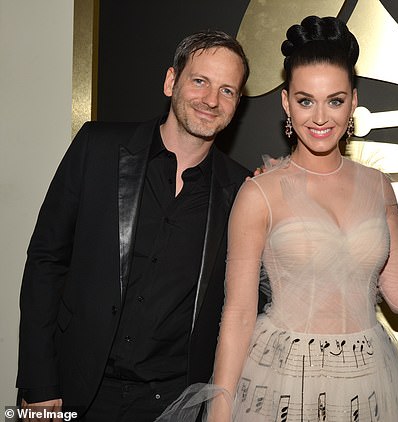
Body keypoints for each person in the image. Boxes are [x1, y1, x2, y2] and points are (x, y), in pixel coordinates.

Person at [157, 15, 398, 422]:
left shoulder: (379, 187)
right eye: (305, 100)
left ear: (353, 102)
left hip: (369, 380)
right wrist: (219, 412)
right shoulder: (260, 192)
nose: (320, 118)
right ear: (286, 102)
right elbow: (239, 313)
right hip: (282, 379)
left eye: (335, 100)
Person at [16, 30, 252, 421]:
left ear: (237, 104)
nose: (211, 100)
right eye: (200, 81)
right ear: (170, 81)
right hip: (71, 392)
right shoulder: (97, 147)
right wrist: (39, 381)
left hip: (174, 404)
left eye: (227, 91)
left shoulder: (244, 191)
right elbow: (46, 261)